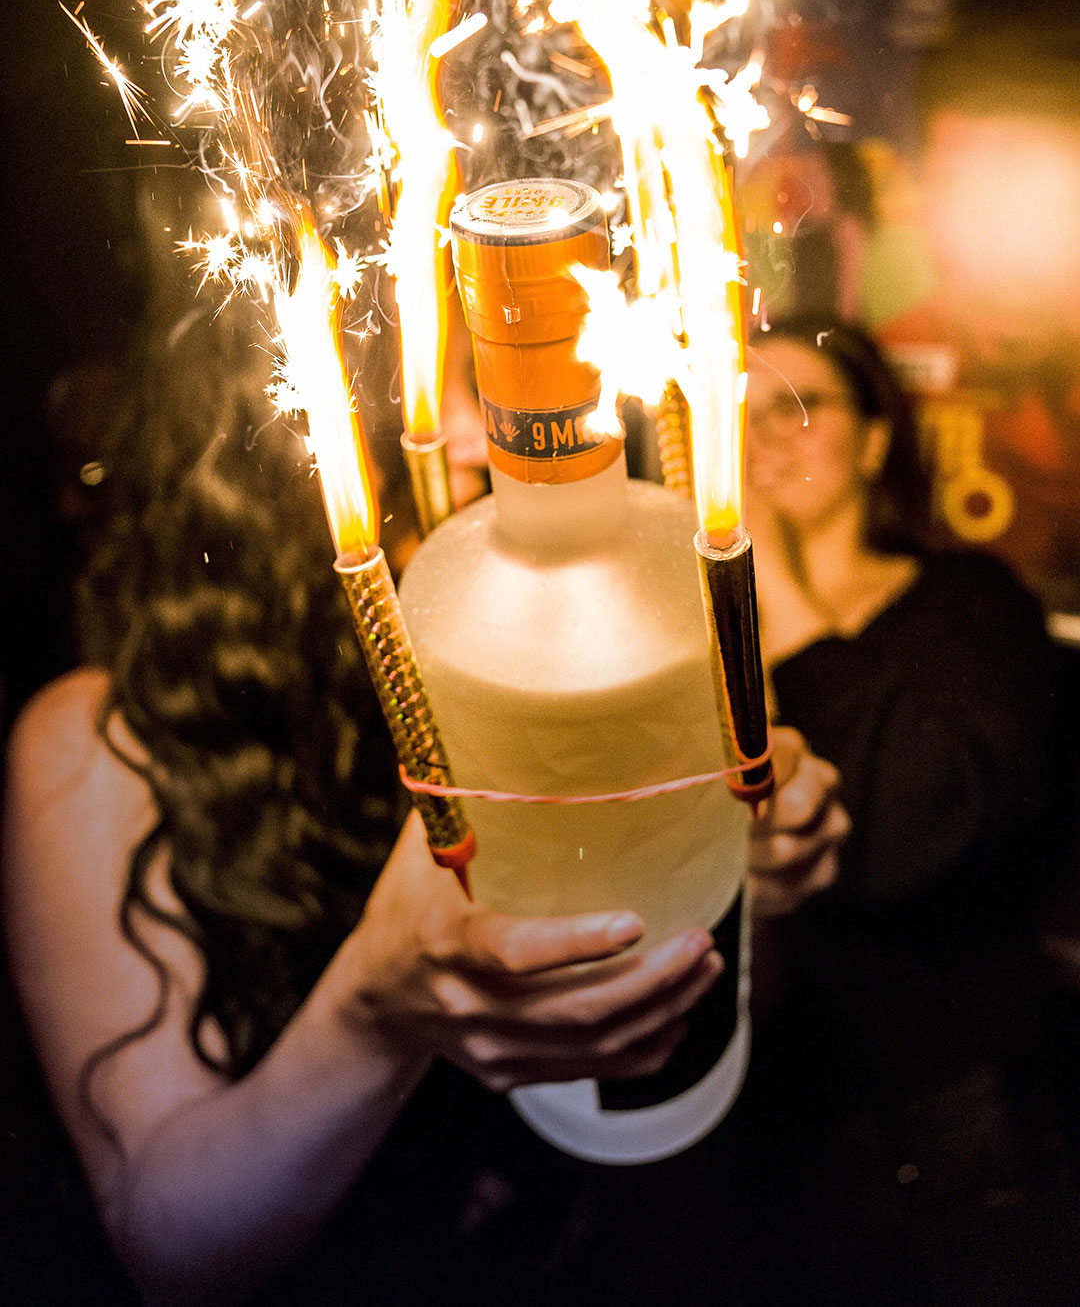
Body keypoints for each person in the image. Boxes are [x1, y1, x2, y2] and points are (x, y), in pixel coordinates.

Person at [2, 291, 848, 1307]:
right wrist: (372, 1013)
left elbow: (698, 999)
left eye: (498, 376)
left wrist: (737, 869)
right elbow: (168, 1247)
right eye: (427, 377)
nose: (484, 432)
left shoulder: (579, 662)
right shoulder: (95, 739)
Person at [737, 312, 1077, 1307]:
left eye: (800, 407)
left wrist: (767, 579)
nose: (766, 437)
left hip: (965, 1151)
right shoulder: (681, 639)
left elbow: (900, 837)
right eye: (741, 415)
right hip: (769, 1164)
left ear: (876, 440)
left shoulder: (972, 608)